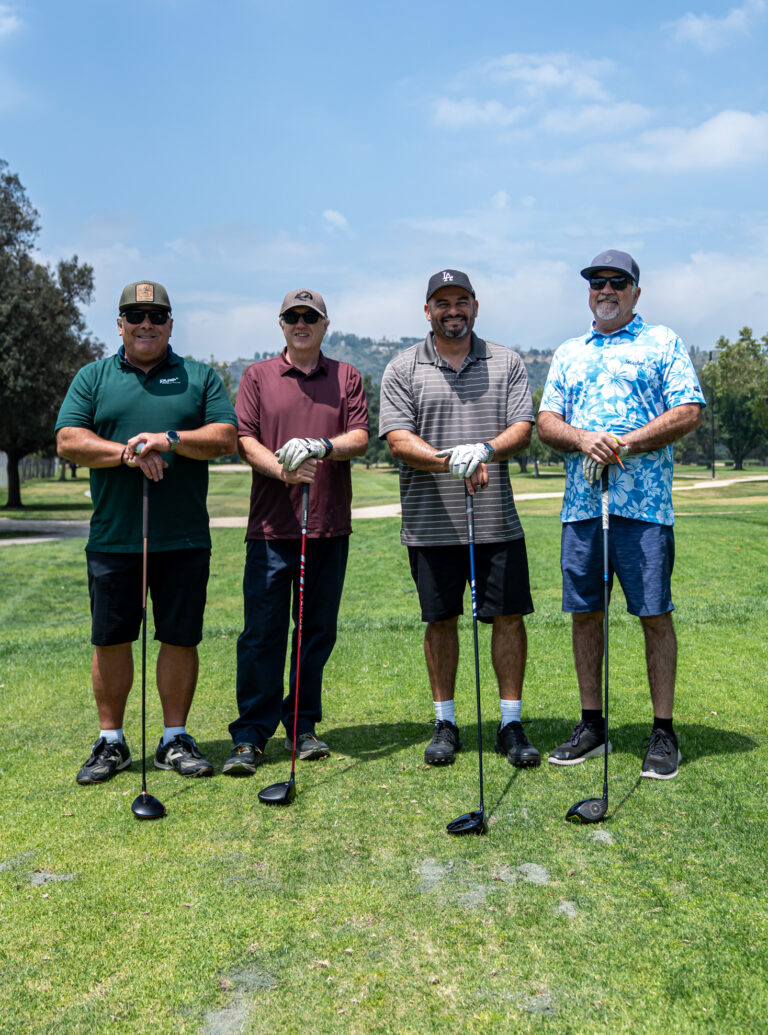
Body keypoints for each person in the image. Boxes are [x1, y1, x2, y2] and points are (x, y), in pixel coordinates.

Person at [56, 280, 238, 785]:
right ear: (119, 324)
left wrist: (169, 439)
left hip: (182, 538)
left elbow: (226, 436)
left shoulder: (199, 377)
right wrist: (128, 453)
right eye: (135, 315)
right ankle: (111, 742)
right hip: (115, 537)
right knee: (111, 640)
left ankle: (173, 739)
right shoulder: (93, 378)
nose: (146, 324)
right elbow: (69, 439)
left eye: (156, 315)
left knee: (179, 638)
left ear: (171, 325)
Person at [537, 250, 705, 780]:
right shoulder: (569, 352)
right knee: (586, 614)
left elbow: (688, 410)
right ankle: (592, 725)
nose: (605, 290)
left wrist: (624, 445)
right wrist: (585, 438)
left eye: (617, 282)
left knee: (654, 616)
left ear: (635, 290)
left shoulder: (663, 342)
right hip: (583, 509)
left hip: (645, 509)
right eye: (596, 283)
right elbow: (546, 422)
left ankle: (663, 731)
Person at [379, 269, 538, 769]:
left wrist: (485, 449)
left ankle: (510, 722)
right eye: (442, 302)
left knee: (507, 620)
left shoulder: (507, 362)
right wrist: (453, 460)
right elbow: (399, 440)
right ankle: (445, 722)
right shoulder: (402, 368)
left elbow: (522, 428)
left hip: (497, 522)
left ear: (475, 305)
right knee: (440, 621)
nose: (453, 310)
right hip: (431, 524)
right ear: (427, 310)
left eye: (461, 301)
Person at [224, 288, 369, 775]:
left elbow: (360, 438)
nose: (301, 323)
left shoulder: (345, 376)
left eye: (311, 317)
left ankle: (302, 726)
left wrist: (322, 446)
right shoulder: (258, 376)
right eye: (293, 317)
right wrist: (282, 470)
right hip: (271, 527)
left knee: (314, 632)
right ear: (281, 324)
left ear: (325, 325)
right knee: (262, 634)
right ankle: (251, 734)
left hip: (327, 527)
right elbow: (245, 441)